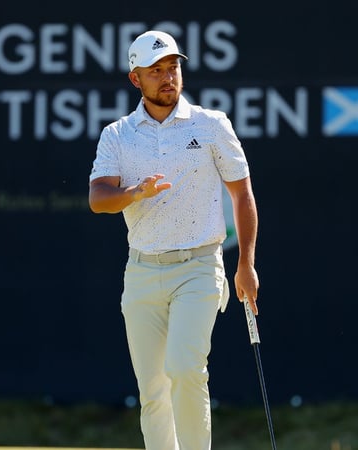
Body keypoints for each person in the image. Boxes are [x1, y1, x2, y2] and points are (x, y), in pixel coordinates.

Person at [88, 29, 260, 450]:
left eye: (173, 68)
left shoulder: (212, 125)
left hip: (200, 267)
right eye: (156, 71)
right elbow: (98, 199)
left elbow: (242, 194)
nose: (168, 78)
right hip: (143, 272)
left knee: (185, 368)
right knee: (153, 392)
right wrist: (135, 194)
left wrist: (246, 264)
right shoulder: (118, 135)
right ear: (136, 79)